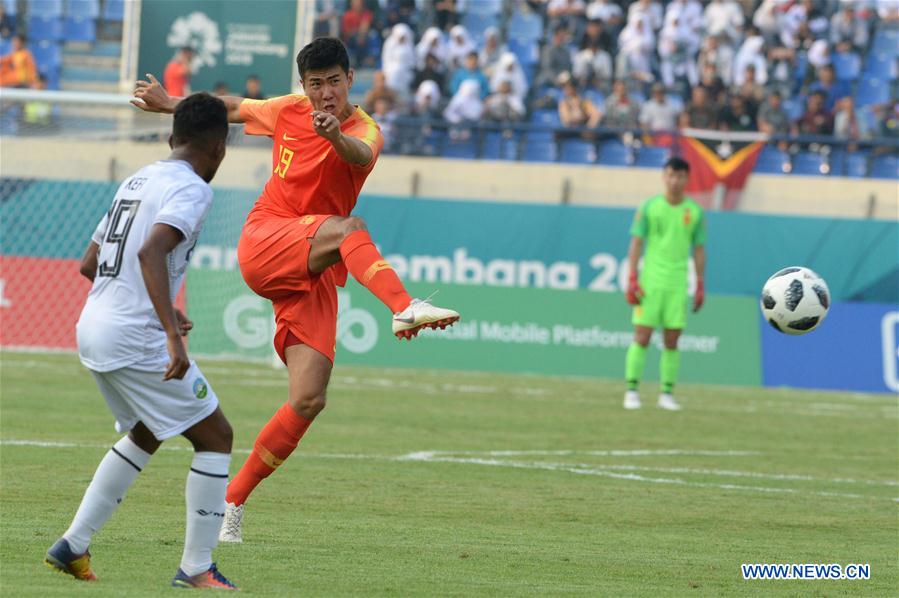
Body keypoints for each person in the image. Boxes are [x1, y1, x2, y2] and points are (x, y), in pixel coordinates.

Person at [133, 37, 459, 543]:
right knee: (350, 227)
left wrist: (332, 136)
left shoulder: (364, 129)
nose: (324, 94)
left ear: (350, 80)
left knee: (308, 398)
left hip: (317, 266)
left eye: (333, 82)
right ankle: (404, 307)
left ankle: (231, 502)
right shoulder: (288, 109)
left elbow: (358, 151)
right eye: (315, 84)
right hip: (268, 239)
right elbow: (234, 108)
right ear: (303, 86)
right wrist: (170, 104)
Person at [44, 93, 238, 590]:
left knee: (149, 431)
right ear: (220, 147)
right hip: (134, 337)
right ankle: (197, 567)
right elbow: (153, 251)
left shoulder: (137, 179)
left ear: (172, 138)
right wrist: (172, 334)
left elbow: (90, 263)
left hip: (93, 326)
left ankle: (73, 544)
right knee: (216, 437)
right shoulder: (193, 187)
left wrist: (161, 306)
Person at [623, 157, 706, 411]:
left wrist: (700, 282)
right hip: (651, 281)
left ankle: (666, 393)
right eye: (670, 175)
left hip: (678, 283)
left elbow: (699, 249)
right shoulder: (649, 207)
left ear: (686, 178)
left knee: (672, 340)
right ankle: (632, 390)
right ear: (664, 176)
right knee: (642, 336)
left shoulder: (695, 212)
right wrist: (632, 277)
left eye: (680, 176)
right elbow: (636, 243)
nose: (674, 180)